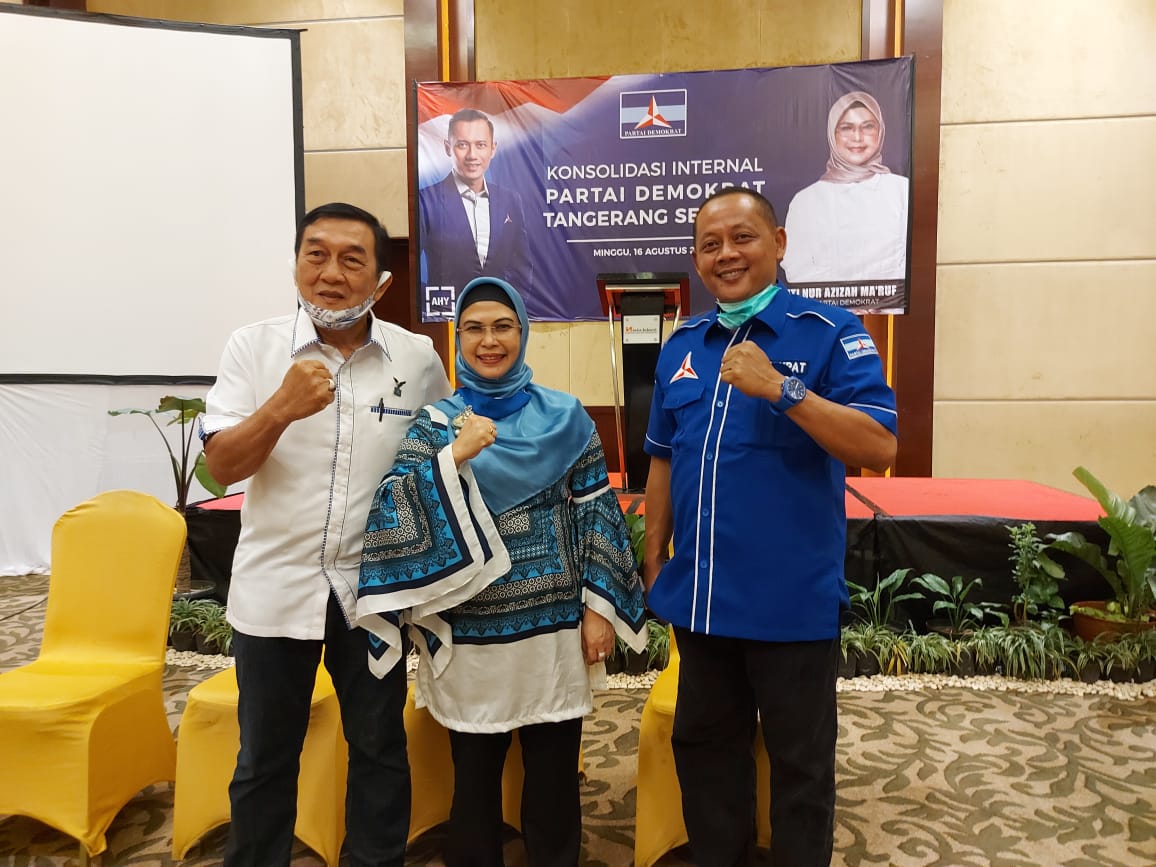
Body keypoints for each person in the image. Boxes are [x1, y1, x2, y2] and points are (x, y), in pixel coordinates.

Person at [642, 188, 898, 866]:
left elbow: (878, 445)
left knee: (800, 769)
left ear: (779, 243)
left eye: (742, 237)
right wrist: (653, 558)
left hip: (792, 605)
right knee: (706, 756)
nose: (726, 254)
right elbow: (662, 459)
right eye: (710, 244)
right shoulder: (683, 345)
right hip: (703, 602)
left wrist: (782, 389)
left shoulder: (830, 332)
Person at [356, 276, 646, 867]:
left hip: (553, 634)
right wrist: (455, 455)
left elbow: (596, 515)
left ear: (523, 332)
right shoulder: (437, 423)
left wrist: (598, 610)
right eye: (474, 329)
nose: (489, 341)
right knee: (475, 781)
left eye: (502, 326)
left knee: (555, 777)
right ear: (458, 339)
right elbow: (391, 509)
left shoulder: (567, 418)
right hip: (470, 638)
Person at [200, 202, 451, 867]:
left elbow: (438, 463)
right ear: (295, 265)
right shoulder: (252, 348)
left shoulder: (417, 358)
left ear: (382, 281)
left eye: (351, 259)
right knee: (265, 758)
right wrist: (280, 408)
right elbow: (219, 467)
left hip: (373, 598)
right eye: (316, 255)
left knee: (379, 748)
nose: (331, 273)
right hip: (274, 593)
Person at [780, 90, 909, 285]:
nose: (857, 137)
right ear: (833, 134)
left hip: (890, 304)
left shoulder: (903, 191)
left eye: (868, 127)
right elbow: (797, 268)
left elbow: (910, 262)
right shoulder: (805, 201)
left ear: (881, 131)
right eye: (847, 128)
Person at [419, 108, 532, 298]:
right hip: (448, 313)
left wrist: (510, 306)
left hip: (498, 310)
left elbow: (522, 268)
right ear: (448, 148)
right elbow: (412, 272)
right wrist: (435, 304)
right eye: (462, 145)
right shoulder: (426, 200)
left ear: (492, 149)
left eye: (480, 145)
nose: (472, 155)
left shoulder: (510, 200)